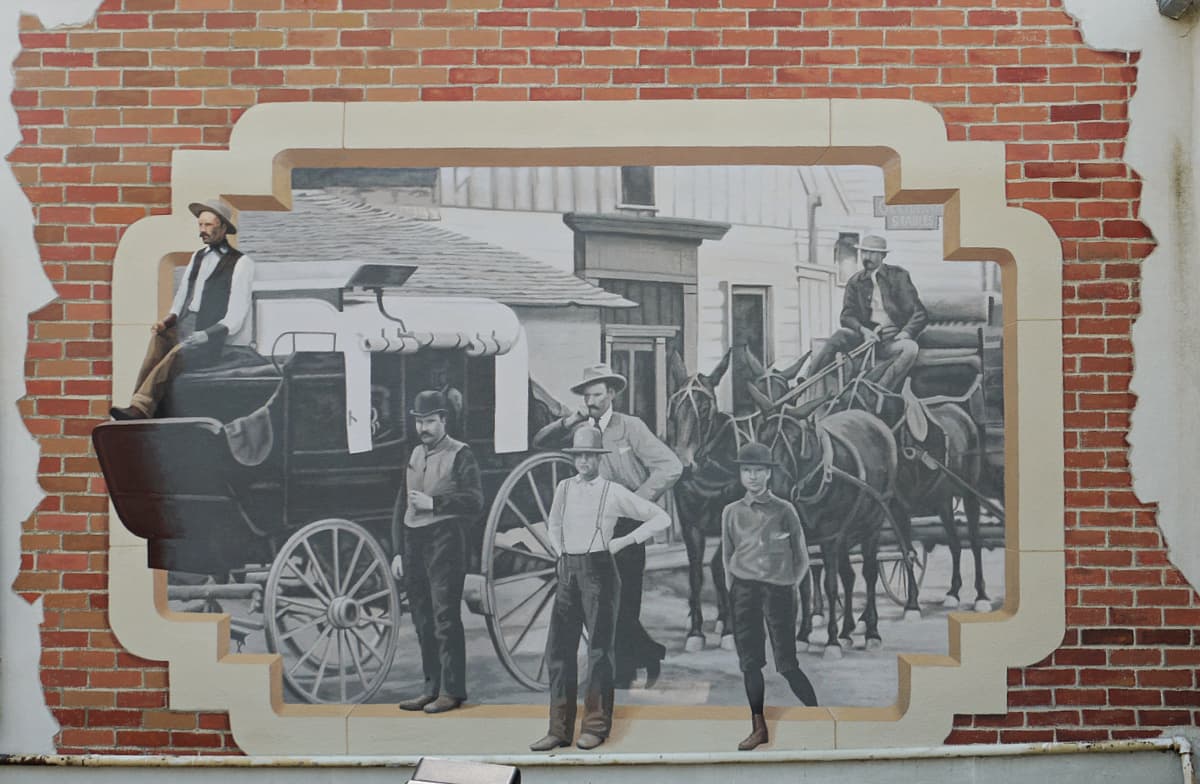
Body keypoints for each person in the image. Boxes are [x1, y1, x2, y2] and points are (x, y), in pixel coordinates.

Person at [533, 364, 682, 689]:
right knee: (600, 602)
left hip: (624, 524)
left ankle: (625, 670)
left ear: (612, 394)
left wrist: (638, 499)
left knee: (624, 600)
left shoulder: (631, 427)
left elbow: (671, 465)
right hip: (590, 525)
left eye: (598, 394)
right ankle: (642, 655)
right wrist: (569, 420)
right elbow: (540, 442)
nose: (592, 402)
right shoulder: (581, 431)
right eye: (587, 396)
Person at [529, 427, 672, 752]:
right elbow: (553, 523)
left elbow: (659, 518)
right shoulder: (564, 488)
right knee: (559, 652)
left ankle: (595, 727)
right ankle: (558, 729)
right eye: (578, 455)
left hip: (600, 573)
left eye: (589, 456)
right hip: (568, 571)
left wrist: (623, 541)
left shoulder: (612, 491)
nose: (583, 461)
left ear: (598, 459)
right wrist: (560, 548)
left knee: (599, 652)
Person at [110, 198, 257, 420]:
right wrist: (167, 321)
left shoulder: (241, 263)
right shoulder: (198, 257)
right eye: (200, 225)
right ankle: (136, 405)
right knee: (159, 339)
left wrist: (205, 335)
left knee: (179, 351)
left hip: (217, 339)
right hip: (189, 324)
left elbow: (236, 316)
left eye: (208, 225)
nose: (202, 231)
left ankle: (141, 407)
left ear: (223, 227)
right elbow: (182, 297)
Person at [721, 442, 819, 751]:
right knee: (750, 663)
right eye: (747, 471)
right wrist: (735, 590)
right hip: (743, 591)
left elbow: (802, 557)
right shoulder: (731, 512)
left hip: (778, 591)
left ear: (769, 474)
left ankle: (819, 719)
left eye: (759, 471)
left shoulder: (784, 510)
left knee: (787, 663)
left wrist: (789, 583)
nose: (752, 477)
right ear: (740, 475)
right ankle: (758, 726)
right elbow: (727, 555)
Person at [397, 390, 484, 715]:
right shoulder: (415, 453)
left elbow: (475, 501)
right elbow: (400, 504)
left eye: (430, 421)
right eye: (419, 421)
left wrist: (436, 504)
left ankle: (452, 691)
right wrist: (397, 552)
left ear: (444, 421)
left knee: (445, 618)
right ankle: (430, 688)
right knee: (422, 619)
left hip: (446, 539)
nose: (424, 428)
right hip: (414, 541)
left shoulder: (462, 454)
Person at [808, 234, 928, 391]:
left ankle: (879, 389)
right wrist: (862, 330)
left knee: (910, 348)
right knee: (840, 335)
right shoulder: (855, 282)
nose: (867, 257)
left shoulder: (898, 277)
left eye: (872, 253)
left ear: (883, 255)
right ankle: (807, 379)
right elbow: (846, 315)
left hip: (890, 341)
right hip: (864, 339)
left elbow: (919, 313)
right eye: (864, 253)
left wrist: (905, 332)